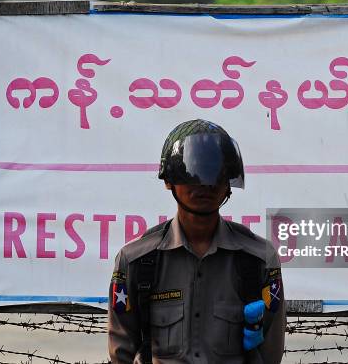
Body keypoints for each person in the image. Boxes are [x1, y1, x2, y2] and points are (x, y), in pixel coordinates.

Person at [108, 119, 286, 363]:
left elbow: (270, 355)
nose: (205, 184)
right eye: (191, 174)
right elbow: (121, 353)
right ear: (168, 180)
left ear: (228, 184)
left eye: (216, 174)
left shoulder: (258, 259)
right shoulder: (137, 261)